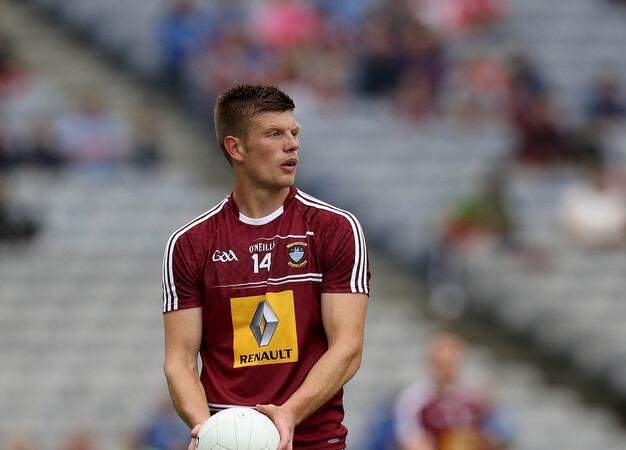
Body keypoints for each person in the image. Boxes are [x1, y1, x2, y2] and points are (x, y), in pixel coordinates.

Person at [162, 84, 370, 450]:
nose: (292, 144)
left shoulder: (334, 229)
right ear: (236, 148)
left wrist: (288, 414)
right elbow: (179, 360)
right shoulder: (190, 244)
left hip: (313, 442)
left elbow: (347, 348)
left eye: (294, 133)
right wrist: (204, 429)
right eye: (274, 134)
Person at [394, 333, 513, 450]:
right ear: (430, 363)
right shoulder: (415, 398)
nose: (446, 370)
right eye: (441, 364)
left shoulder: (477, 396)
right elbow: (410, 438)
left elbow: (501, 434)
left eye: (450, 364)